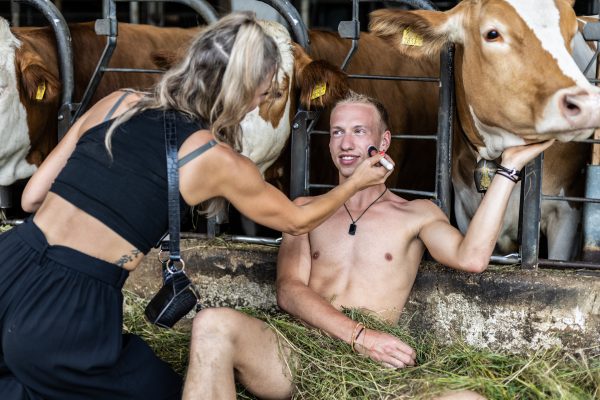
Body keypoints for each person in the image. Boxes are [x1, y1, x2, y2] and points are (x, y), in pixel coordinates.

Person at [0, 14, 392, 400]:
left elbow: (32, 196)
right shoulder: (212, 158)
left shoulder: (119, 103)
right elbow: (297, 220)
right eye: (262, 96)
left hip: (10, 261)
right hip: (69, 306)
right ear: (243, 91)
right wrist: (356, 182)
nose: (254, 109)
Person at [182, 92, 555, 400]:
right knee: (212, 324)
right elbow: (289, 291)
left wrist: (509, 169)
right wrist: (359, 337)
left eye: (359, 131)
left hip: (371, 374)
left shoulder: (416, 214)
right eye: (337, 132)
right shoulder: (303, 210)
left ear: (384, 142)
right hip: (297, 356)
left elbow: (471, 257)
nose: (346, 143)